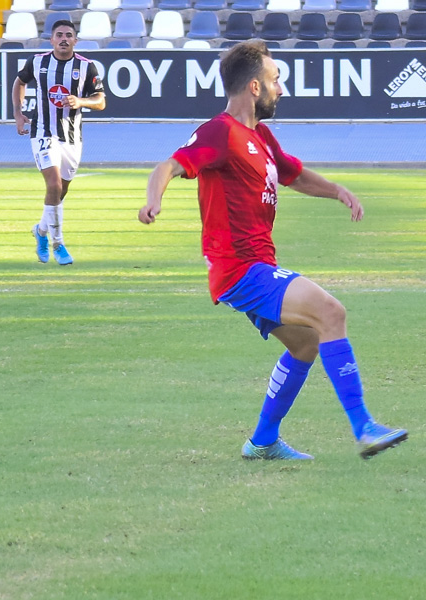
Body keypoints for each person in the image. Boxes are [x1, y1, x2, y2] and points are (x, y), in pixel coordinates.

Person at [138, 41, 407, 461]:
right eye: (276, 80)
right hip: (239, 268)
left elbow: (292, 175)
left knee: (305, 345)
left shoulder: (260, 136)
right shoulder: (219, 132)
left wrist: (337, 191)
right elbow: (169, 165)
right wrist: (154, 198)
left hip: (258, 265)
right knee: (331, 313)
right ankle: (364, 429)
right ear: (254, 87)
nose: (282, 89)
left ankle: (262, 440)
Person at [13, 19, 106, 266]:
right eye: (59, 35)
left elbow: (100, 101)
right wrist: (18, 113)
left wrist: (81, 102)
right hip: (43, 132)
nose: (64, 38)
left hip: (72, 137)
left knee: (60, 193)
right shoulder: (37, 61)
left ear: (75, 40)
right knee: (53, 185)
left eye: (68, 35)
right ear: (51, 39)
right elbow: (19, 82)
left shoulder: (87, 67)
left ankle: (41, 231)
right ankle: (58, 243)